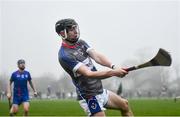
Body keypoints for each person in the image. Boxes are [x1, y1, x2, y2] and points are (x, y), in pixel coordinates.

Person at [55, 18, 133, 116]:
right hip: (89, 96)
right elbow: (89, 74)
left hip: (100, 91)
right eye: (71, 29)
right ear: (62, 33)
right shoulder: (64, 55)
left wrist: (113, 66)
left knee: (124, 105)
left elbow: (97, 56)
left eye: (75, 28)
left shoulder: (81, 43)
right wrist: (114, 73)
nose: (75, 31)